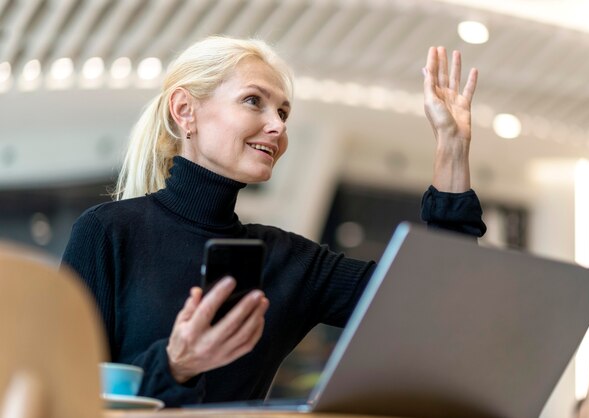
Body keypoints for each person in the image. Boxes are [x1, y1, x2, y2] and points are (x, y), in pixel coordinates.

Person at [62, 35, 486, 407]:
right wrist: (174, 365)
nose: (277, 127)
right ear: (184, 110)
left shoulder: (290, 260)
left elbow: (435, 300)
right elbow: (62, 388)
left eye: (283, 114)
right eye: (254, 101)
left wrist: (451, 147)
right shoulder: (108, 232)